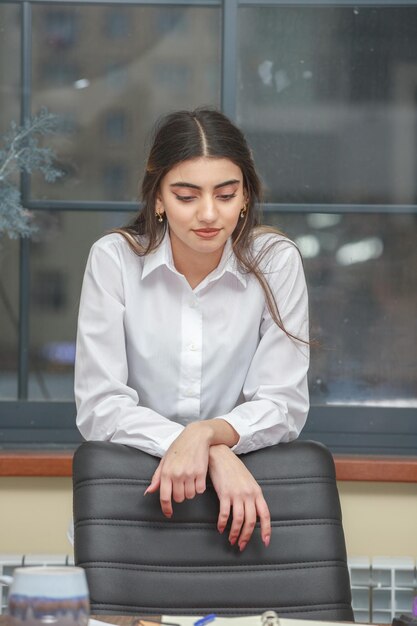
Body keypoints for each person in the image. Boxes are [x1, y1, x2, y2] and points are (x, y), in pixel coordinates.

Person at [74, 108, 309, 553]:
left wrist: (205, 435)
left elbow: (284, 404)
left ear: (245, 196)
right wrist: (202, 445)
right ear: (158, 198)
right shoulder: (114, 260)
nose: (208, 214)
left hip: (243, 503)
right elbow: (99, 406)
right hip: (133, 496)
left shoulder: (277, 261)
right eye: (186, 196)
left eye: (225, 194)